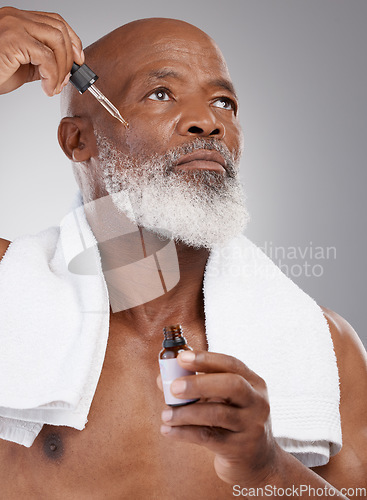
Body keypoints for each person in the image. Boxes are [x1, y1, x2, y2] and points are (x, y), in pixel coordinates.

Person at [0, 6, 366, 498]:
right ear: (78, 139)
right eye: (160, 93)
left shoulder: (326, 345)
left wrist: (267, 467)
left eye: (224, 102)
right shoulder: (9, 293)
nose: (207, 121)